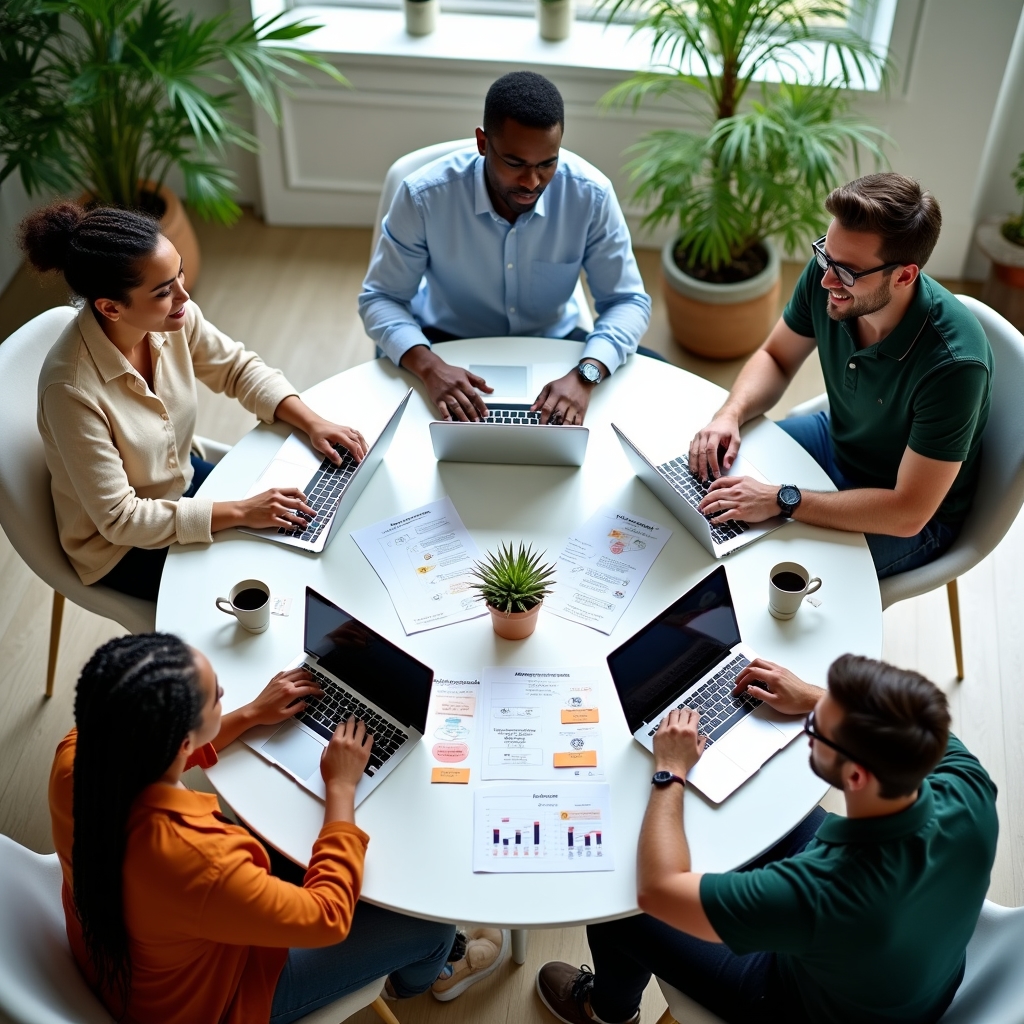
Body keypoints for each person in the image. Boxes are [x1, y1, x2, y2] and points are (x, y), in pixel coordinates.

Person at [536, 654, 998, 1024]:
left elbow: (658, 889)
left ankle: (607, 1011)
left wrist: (670, 769)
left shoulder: (822, 892)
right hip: (917, 973)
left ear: (855, 775)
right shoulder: (967, 787)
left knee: (621, 913)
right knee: (761, 814)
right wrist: (812, 697)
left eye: (818, 728)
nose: (811, 722)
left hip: (800, 1002)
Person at [49, 632, 456, 1024]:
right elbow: (327, 916)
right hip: (212, 999)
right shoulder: (205, 863)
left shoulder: (78, 756)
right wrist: (341, 787)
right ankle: (414, 982)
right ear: (183, 742)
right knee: (435, 926)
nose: (225, 694)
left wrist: (250, 714)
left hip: (124, 957)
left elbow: (144, 758)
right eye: (215, 697)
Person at [21, 202, 369, 602]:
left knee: (299, 527)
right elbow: (121, 519)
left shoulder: (173, 316)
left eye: (179, 272)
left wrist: (311, 421)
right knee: (267, 583)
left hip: (180, 480)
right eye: (164, 291)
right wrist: (240, 512)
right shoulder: (71, 391)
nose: (184, 295)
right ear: (111, 307)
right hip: (121, 547)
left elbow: (237, 369)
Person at [688, 174, 994, 579]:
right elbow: (777, 357)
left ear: (903, 276)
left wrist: (782, 499)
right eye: (825, 255)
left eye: (847, 271)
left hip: (904, 513)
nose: (827, 279)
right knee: (705, 484)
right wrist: (730, 412)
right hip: (835, 440)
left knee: (765, 571)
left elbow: (908, 513)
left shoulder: (953, 365)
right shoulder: (830, 278)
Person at [359, 70, 652, 425]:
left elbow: (627, 301)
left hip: (555, 343)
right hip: (443, 341)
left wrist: (585, 374)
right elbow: (381, 298)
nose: (532, 182)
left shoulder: (590, 194)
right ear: (483, 143)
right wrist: (429, 365)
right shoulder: (424, 196)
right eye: (515, 164)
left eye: (547, 164)